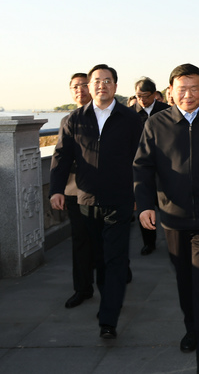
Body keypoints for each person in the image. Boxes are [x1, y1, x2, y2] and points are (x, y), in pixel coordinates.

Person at [134, 64, 199, 374]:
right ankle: (192, 327)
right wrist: (145, 204)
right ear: (171, 91)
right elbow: (143, 167)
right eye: (182, 89)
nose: (188, 94)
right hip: (173, 219)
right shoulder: (157, 124)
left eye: (194, 88)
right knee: (185, 282)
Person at [50, 64, 143, 339]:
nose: (101, 85)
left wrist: (142, 194)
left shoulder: (129, 118)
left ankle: (108, 318)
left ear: (115, 86)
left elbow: (140, 159)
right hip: (85, 200)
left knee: (114, 259)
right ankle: (102, 299)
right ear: (89, 87)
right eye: (96, 81)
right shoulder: (74, 120)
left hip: (119, 199)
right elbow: (61, 157)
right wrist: (56, 189)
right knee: (98, 257)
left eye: (107, 81)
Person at [60, 72, 94, 309]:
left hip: (105, 188)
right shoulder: (68, 120)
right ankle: (82, 288)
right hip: (75, 189)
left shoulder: (108, 116)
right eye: (75, 86)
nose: (79, 90)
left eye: (83, 85)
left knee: (107, 239)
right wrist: (56, 189)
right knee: (80, 240)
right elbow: (60, 158)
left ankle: (119, 272)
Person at [131, 76, 169, 256]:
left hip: (165, 170)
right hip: (142, 168)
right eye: (138, 96)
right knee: (145, 206)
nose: (142, 100)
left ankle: (173, 240)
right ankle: (149, 242)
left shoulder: (167, 112)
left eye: (145, 96)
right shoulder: (129, 115)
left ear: (154, 94)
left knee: (168, 208)